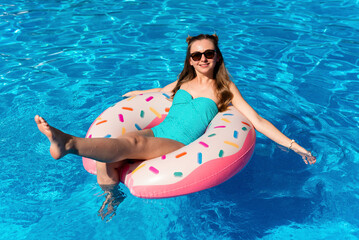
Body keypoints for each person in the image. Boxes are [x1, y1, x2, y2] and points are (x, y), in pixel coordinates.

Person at [35, 33, 316, 219]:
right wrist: (137, 95)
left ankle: (69, 143)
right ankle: (112, 198)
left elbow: (257, 121)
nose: (203, 59)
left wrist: (294, 146)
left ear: (217, 56)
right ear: (190, 60)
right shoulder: (184, 81)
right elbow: (161, 92)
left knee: (132, 144)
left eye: (209, 53)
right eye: (197, 55)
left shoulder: (224, 88)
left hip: (178, 143)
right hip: (157, 131)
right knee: (116, 147)